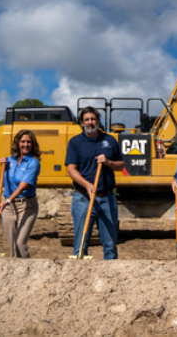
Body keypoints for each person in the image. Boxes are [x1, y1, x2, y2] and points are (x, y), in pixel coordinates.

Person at [65, 106, 125, 260]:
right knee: (81, 245)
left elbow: (121, 165)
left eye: (93, 119)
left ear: (98, 120)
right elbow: (71, 169)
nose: (90, 122)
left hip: (107, 199)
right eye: (87, 120)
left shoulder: (109, 140)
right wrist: (86, 184)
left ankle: (111, 278)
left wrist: (108, 162)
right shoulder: (75, 142)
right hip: (83, 198)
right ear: (82, 123)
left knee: (110, 245)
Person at [0, 129, 42, 258]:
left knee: (19, 243)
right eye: (23, 141)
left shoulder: (33, 163)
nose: (25, 144)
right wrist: (2, 167)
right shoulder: (10, 160)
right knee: (11, 246)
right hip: (8, 206)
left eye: (28, 142)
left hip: (26, 205)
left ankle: (27, 271)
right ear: (17, 143)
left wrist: (7, 201)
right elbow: (1, 182)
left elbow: (23, 186)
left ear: (33, 145)